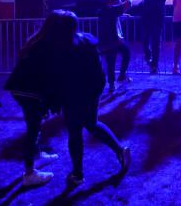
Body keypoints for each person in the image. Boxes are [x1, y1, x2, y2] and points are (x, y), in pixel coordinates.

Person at [56, 11, 131, 186]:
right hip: (92, 89)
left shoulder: (64, 46)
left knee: (75, 131)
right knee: (91, 124)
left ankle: (78, 173)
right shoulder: (87, 40)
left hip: (74, 92)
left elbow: (62, 74)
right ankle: (119, 150)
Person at [5, 13, 62, 187]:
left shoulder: (38, 39)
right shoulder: (49, 45)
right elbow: (50, 75)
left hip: (21, 88)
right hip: (28, 91)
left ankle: (36, 154)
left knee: (36, 123)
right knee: (33, 127)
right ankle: (29, 174)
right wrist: (53, 101)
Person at [140, 0, 175, 74]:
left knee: (146, 42)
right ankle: (154, 65)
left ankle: (148, 57)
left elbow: (138, 7)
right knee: (155, 45)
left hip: (146, 23)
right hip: (157, 24)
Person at [97, 0, 132, 92]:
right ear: (112, 3)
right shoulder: (111, 9)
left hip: (110, 40)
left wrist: (123, 15)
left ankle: (118, 78)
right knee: (111, 62)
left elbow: (113, 16)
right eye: (118, 3)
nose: (119, 5)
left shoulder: (105, 10)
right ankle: (114, 81)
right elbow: (128, 3)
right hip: (111, 41)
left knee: (124, 54)